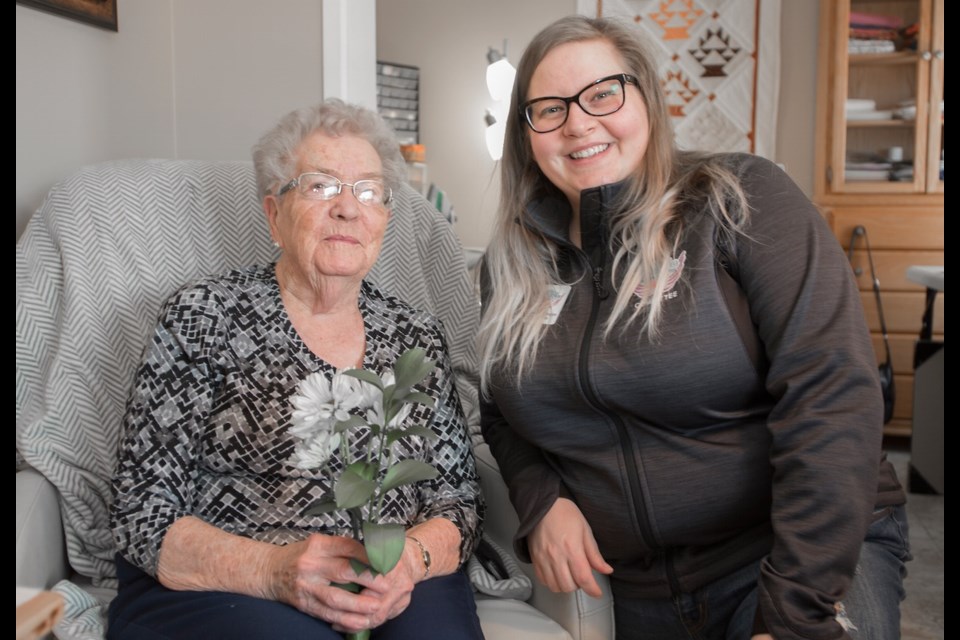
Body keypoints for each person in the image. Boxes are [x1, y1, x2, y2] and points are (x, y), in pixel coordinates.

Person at [477, 15, 910, 640]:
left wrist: (792, 609)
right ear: (526, 134)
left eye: (603, 93)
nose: (578, 123)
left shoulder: (740, 200)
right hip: (634, 587)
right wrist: (541, 498)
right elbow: (499, 409)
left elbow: (832, 396)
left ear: (647, 97)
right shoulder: (511, 266)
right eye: (549, 108)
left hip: (794, 558)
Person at [108, 99, 484, 640]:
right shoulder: (204, 315)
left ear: (384, 219)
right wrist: (271, 570)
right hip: (233, 582)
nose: (349, 208)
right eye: (321, 186)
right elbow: (140, 510)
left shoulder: (415, 334)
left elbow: (459, 500)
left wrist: (411, 562)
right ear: (273, 214)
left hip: (394, 576)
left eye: (369, 191)